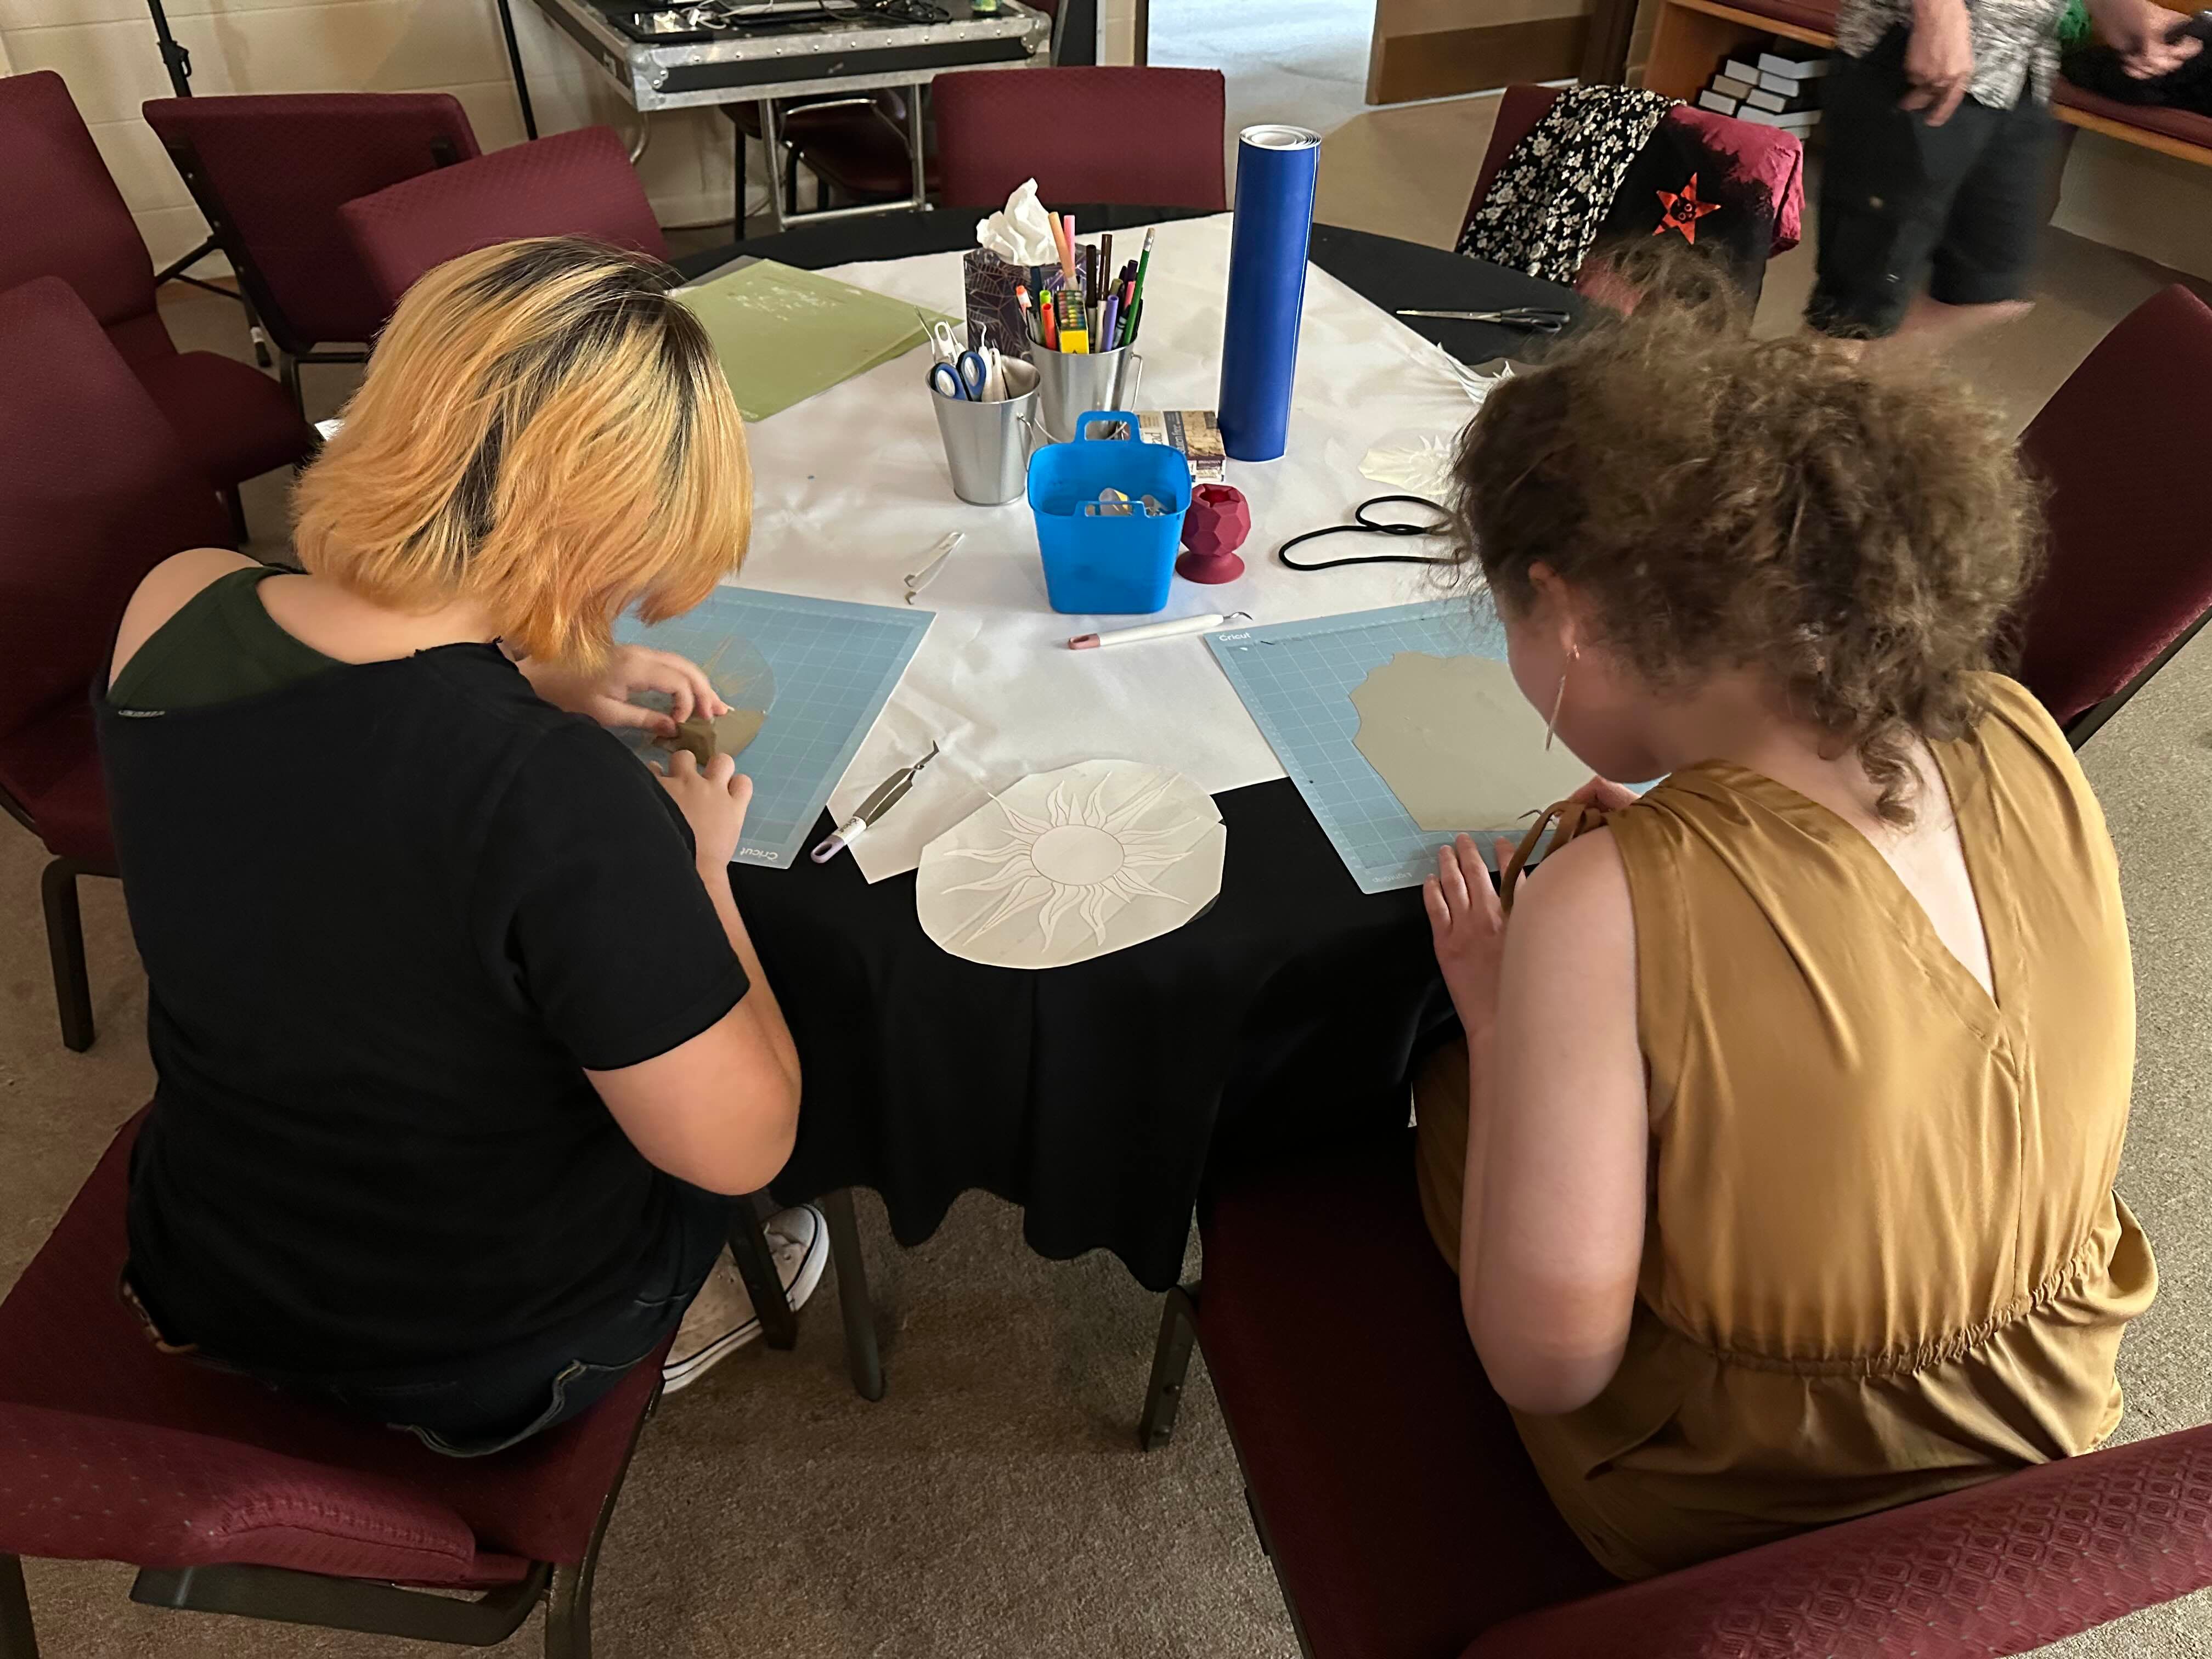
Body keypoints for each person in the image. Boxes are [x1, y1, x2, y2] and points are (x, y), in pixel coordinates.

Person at [1412, 295, 2155, 1578]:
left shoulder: (1595, 912)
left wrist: (1503, 1014)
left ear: (1566, 613)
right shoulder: (2016, 725)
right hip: (2053, 1427)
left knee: (1446, 1101)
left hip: (1767, 1511)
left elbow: (1546, 1368)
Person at [103, 238, 815, 1456]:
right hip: (478, 1351)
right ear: (599, 537)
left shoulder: (172, 603)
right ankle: (684, 1319)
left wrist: (540, 672)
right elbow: (746, 1145)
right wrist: (698, 871)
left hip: (207, 1261)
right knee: (748, 1146)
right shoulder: (560, 797)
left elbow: (350, 752)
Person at [1808, 0, 2198, 349]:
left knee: (1986, 294)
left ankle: (1841, 391)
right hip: (1913, 53)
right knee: (1854, 312)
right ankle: (1820, 387)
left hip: (2020, 68)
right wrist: (1936, 12)